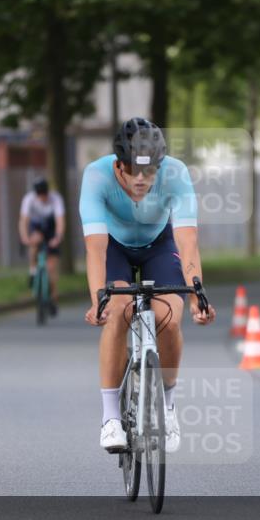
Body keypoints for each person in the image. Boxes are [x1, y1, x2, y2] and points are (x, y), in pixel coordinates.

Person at [80, 117, 216, 452]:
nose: (141, 180)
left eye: (150, 171)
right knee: (119, 310)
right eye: (133, 171)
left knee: (169, 315)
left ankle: (167, 407)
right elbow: (95, 250)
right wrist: (98, 298)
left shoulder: (177, 173)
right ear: (119, 166)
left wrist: (197, 292)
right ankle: (111, 418)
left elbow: (187, 242)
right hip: (114, 247)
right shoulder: (96, 177)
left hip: (159, 245)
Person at [19, 177, 65, 314]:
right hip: (36, 226)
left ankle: (52, 299)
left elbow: (60, 221)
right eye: (39, 195)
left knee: (52, 268)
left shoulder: (56, 199)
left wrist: (58, 237)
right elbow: (23, 221)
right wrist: (25, 238)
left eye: (44, 194)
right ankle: (33, 271)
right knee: (34, 241)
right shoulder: (29, 200)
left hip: (51, 228)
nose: (42, 197)